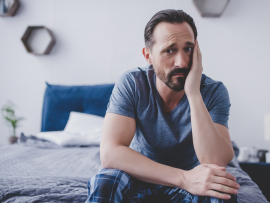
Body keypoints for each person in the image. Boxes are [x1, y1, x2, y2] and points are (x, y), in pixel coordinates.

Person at [86, 9, 240, 203]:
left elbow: (216, 161)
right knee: (106, 181)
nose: (182, 62)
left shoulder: (214, 91)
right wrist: (183, 179)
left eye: (188, 48)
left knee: (223, 193)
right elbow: (110, 154)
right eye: (170, 50)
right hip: (142, 174)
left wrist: (193, 93)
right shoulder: (133, 83)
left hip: (196, 178)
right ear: (148, 55)